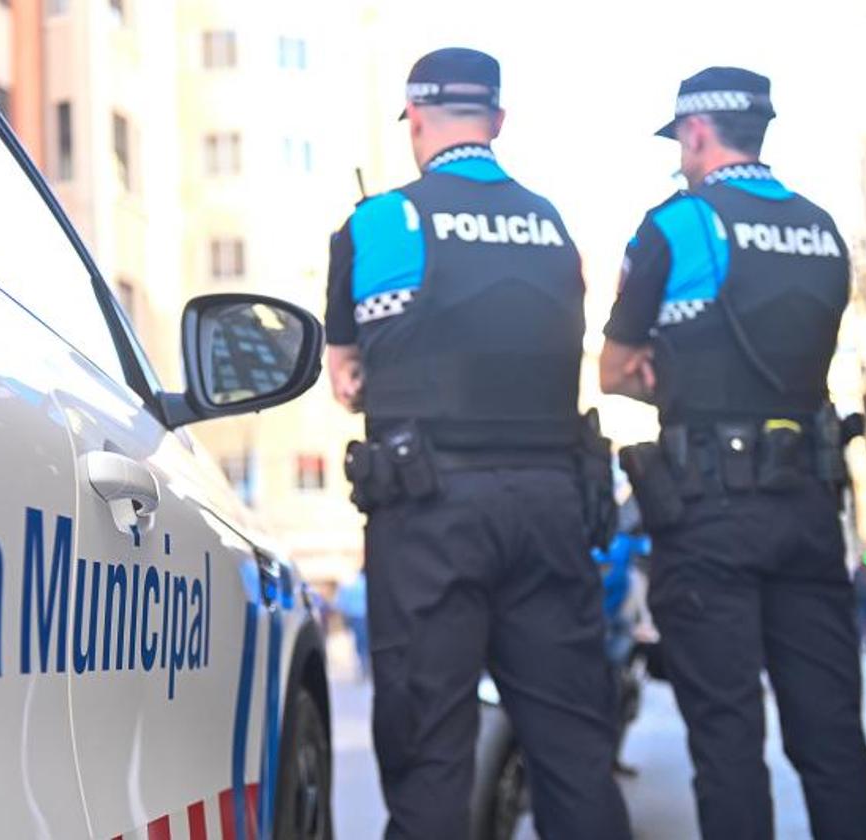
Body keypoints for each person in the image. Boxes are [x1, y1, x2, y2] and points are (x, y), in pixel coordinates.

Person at [326, 47, 632, 840]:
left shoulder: (379, 221)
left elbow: (349, 382)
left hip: (429, 517)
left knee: (431, 759)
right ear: (496, 122)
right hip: (552, 509)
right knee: (573, 754)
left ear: (416, 120)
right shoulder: (554, 226)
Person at [601, 66, 866, 840]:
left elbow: (616, 369)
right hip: (811, 510)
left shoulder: (675, 225)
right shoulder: (821, 227)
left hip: (709, 512)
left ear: (696, 131)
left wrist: (676, 375)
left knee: (727, 741)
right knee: (831, 738)